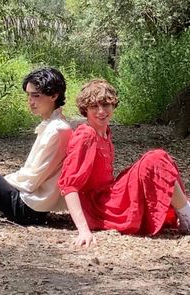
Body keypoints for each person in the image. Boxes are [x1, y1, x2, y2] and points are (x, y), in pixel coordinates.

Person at [58, 79, 190, 248]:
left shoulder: (104, 131)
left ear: (113, 106)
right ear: (85, 109)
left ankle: (184, 212)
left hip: (108, 194)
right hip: (99, 206)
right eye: (94, 107)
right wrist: (83, 230)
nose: (101, 111)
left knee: (162, 159)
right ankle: (186, 213)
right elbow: (69, 186)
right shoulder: (86, 136)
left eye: (105, 105)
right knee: (155, 159)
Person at [0, 67, 72, 225]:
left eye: (36, 96)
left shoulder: (57, 129)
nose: (30, 101)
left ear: (54, 95)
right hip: (30, 206)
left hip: (26, 208)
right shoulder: (53, 124)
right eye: (28, 95)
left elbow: (31, 179)